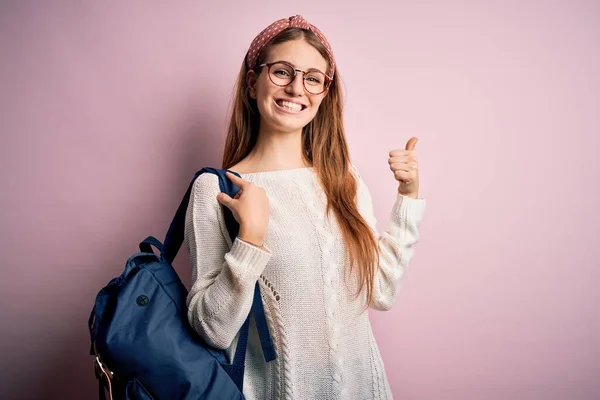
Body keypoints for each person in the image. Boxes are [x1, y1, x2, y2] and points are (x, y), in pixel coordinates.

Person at [184, 15, 426, 400]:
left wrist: (409, 195)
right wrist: (251, 239)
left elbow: (381, 290)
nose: (297, 88)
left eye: (313, 78)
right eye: (282, 72)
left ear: (325, 92)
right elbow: (211, 329)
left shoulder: (343, 179)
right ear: (253, 82)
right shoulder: (215, 189)